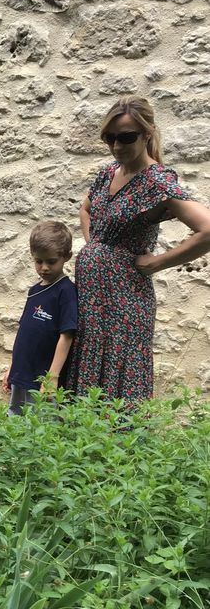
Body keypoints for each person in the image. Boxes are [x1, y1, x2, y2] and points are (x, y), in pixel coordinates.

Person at [68, 96, 210, 406]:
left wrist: (156, 263)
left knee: (118, 372)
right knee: (89, 364)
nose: (117, 145)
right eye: (110, 137)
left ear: (147, 134)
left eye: (126, 137)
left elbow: (207, 230)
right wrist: (95, 247)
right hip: (92, 297)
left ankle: (119, 450)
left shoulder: (156, 181)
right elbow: (86, 209)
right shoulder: (109, 173)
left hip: (125, 300)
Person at [3, 221, 78, 415]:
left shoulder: (66, 291)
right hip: (22, 373)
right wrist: (12, 368)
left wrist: (52, 377)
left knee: (42, 425)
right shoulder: (34, 291)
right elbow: (24, 333)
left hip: (42, 378)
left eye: (51, 261)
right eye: (38, 261)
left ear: (66, 257)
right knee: (16, 421)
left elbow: (67, 335)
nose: (44, 267)